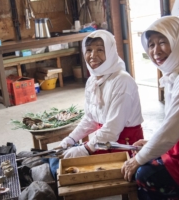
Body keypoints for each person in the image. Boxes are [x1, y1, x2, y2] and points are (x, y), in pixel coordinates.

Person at [121, 16, 179, 200]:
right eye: (151, 45)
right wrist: (152, 144)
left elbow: (170, 132)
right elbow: (174, 124)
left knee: (145, 175)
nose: (156, 51)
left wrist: (139, 159)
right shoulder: (177, 72)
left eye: (162, 42)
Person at [59, 30, 144, 158]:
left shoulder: (122, 81)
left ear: (110, 52)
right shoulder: (93, 80)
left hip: (124, 144)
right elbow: (90, 119)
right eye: (88, 50)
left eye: (100, 50)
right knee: (59, 159)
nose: (93, 55)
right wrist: (70, 139)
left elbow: (112, 129)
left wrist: (86, 149)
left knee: (68, 164)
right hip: (104, 141)